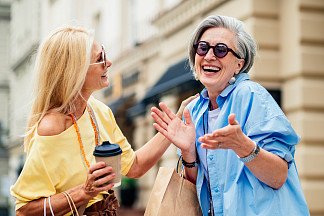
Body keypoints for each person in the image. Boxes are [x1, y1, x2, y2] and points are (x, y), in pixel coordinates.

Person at [10, 26, 197, 216]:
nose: (108, 62)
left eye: (104, 54)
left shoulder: (100, 111)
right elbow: (25, 210)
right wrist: (83, 192)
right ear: (75, 71)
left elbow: (134, 166)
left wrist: (174, 123)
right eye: (99, 58)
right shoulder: (51, 127)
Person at [151, 15, 310, 216]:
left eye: (221, 50)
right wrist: (188, 152)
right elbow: (196, 189)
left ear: (239, 65)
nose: (209, 56)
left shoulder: (250, 95)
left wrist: (243, 146)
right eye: (203, 47)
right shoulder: (194, 111)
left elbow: (278, 176)